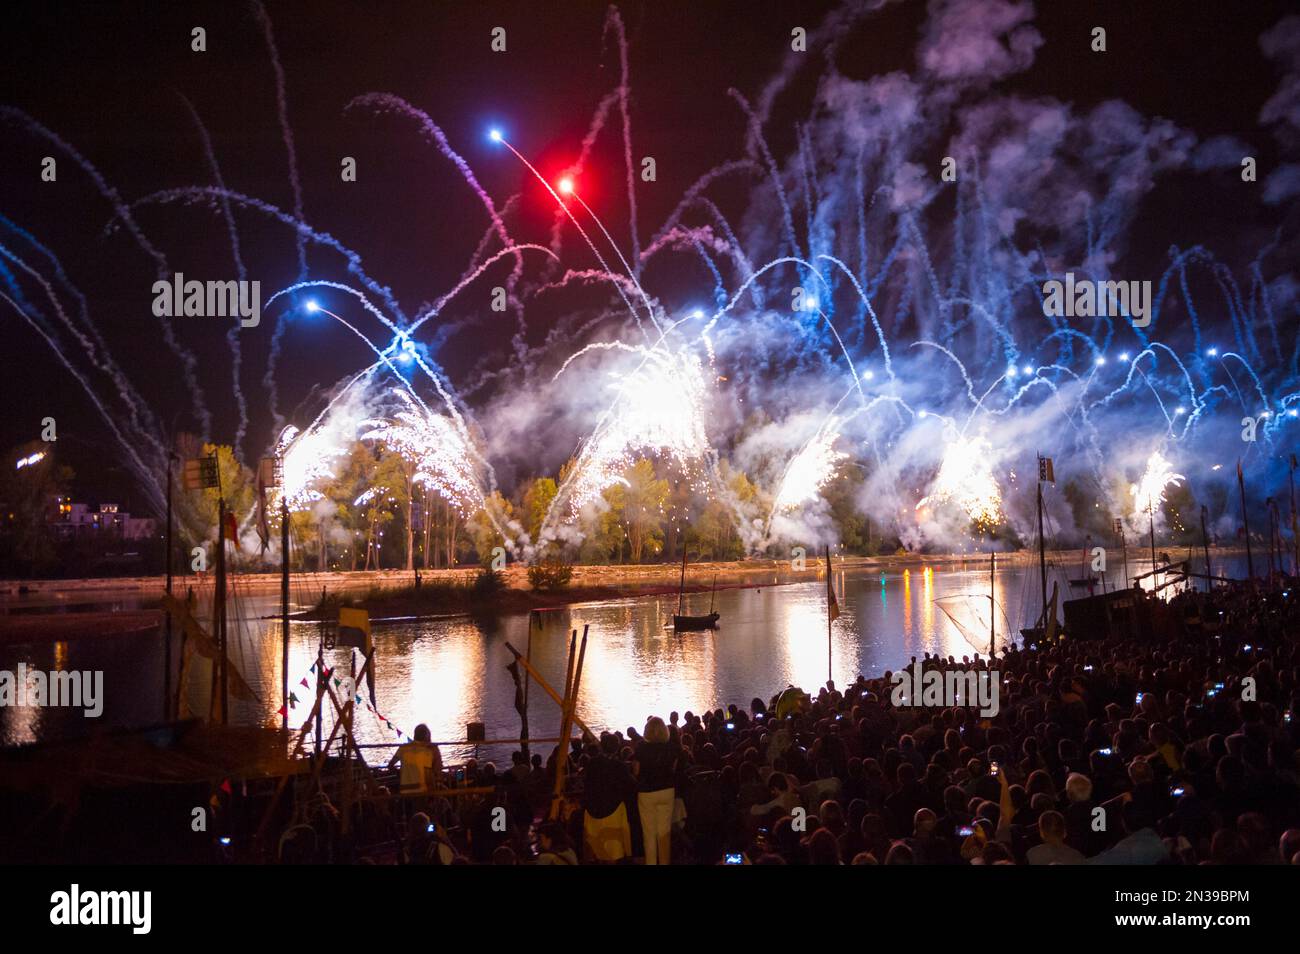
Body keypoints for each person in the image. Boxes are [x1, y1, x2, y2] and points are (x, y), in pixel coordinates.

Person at [633, 716, 680, 865]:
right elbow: (673, 769)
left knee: (649, 834)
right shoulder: (672, 747)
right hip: (667, 790)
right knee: (664, 832)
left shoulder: (641, 747)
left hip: (646, 792)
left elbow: (636, 771)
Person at [388, 724, 443, 796]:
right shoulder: (429, 749)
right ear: (427, 736)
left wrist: (400, 774)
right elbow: (432, 771)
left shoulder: (403, 747)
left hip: (404, 790)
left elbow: (390, 765)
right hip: (422, 790)